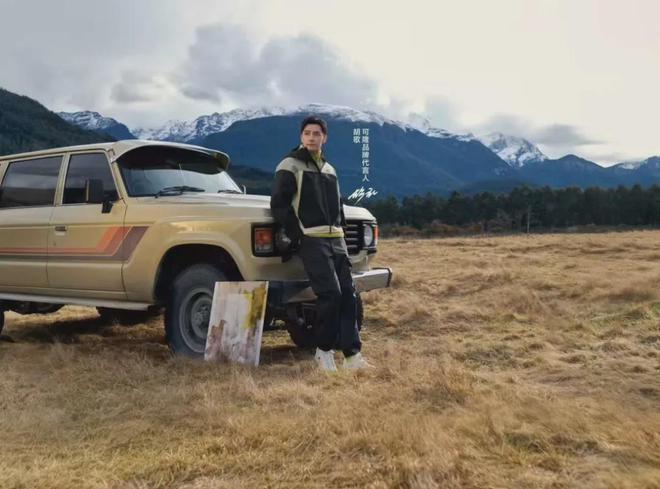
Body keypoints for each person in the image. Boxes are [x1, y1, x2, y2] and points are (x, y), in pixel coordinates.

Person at [270, 115, 370, 371]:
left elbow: (338, 205)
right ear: (301, 137)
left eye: (316, 134)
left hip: (336, 239)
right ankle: (323, 352)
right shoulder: (290, 164)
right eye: (307, 133)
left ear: (325, 138)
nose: (312, 138)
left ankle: (352, 356)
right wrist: (298, 234)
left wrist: (341, 230)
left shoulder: (329, 169)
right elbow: (279, 204)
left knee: (348, 295)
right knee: (331, 295)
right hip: (311, 239)